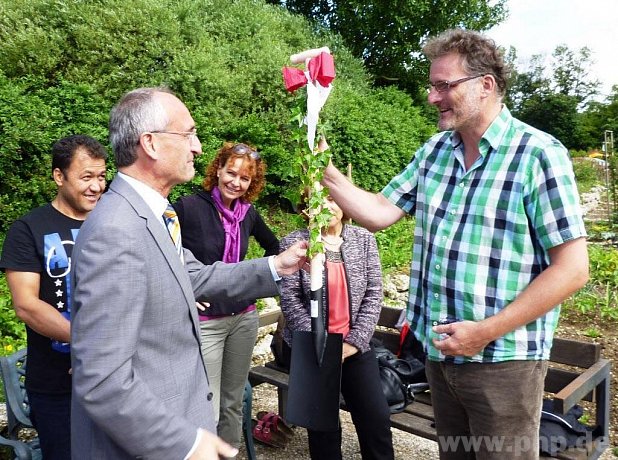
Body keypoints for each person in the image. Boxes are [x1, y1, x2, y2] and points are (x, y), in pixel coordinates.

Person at [321, 29, 589, 459]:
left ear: (486, 85)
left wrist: (483, 333)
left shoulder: (538, 154)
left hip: (503, 362)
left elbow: (573, 269)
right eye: (432, 85)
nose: (433, 96)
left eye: (444, 85)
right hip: (440, 358)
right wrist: (325, 170)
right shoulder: (434, 152)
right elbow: (377, 213)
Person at [69, 87, 307, 460]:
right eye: (189, 133)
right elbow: (102, 380)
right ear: (150, 143)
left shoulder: (154, 215)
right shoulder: (116, 231)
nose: (197, 147)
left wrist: (277, 266)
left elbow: (194, 276)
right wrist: (187, 443)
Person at [0, 135, 108, 460]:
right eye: (86, 177)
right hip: (57, 386)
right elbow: (27, 306)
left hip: (113, 378)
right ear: (59, 176)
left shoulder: (112, 224)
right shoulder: (28, 229)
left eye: (102, 176)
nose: (96, 186)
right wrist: (89, 345)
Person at [174, 142, 279, 448]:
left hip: (244, 319)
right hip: (207, 322)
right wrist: (186, 289)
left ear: (252, 183)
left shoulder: (247, 213)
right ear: (217, 170)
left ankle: (229, 453)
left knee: (233, 402)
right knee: (208, 404)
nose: (236, 182)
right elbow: (164, 249)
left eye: (244, 178)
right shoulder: (189, 206)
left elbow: (275, 247)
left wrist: (253, 282)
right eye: (230, 173)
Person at [278, 194, 394, 460]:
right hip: (313, 349)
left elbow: (374, 294)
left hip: (354, 347)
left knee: (375, 419)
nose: (326, 206)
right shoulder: (294, 244)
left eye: (331, 199)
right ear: (306, 209)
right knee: (322, 431)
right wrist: (320, 345)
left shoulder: (363, 240)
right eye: (317, 200)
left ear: (344, 204)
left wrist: (354, 342)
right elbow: (290, 300)